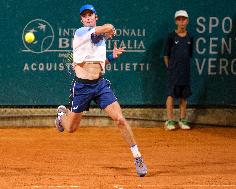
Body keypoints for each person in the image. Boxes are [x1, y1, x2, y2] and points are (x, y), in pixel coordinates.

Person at [55, 4, 147, 177]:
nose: (88, 18)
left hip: (100, 85)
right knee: (71, 129)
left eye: (91, 15)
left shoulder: (100, 40)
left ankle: (138, 157)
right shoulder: (81, 33)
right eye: (85, 16)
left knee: (119, 119)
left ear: (96, 16)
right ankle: (62, 115)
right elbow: (107, 28)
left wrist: (111, 56)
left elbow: (97, 63)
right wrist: (110, 29)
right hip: (81, 87)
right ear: (82, 20)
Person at [163, 10, 193, 131]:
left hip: (185, 71)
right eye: (179, 19)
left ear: (187, 21)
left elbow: (189, 54)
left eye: (184, 19)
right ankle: (170, 120)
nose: (181, 22)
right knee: (171, 95)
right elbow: (166, 54)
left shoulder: (190, 37)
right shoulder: (171, 36)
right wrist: (170, 67)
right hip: (173, 71)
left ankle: (182, 119)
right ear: (176, 21)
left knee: (183, 96)